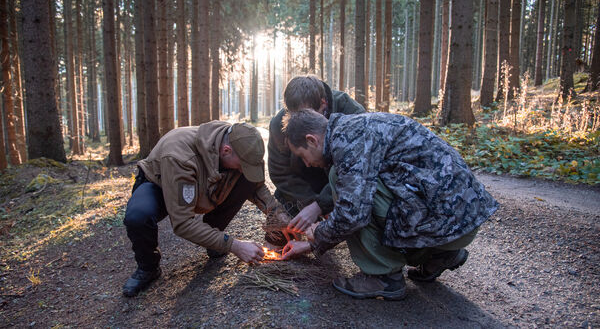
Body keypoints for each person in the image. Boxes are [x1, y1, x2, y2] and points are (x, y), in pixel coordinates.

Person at [280, 110, 499, 300]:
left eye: (303, 156)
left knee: (341, 182)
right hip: (463, 219)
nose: (307, 164)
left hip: (446, 222)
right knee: (370, 193)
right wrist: (314, 245)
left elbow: (352, 214)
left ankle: (383, 278)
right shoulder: (356, 126)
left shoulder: (347, 141)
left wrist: (317, 235)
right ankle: (439, 255)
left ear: (312, 140)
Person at [122, 121, 285, 297]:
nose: (244, 168)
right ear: (226, 151)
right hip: (159, 185)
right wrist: (234, 245)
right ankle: (148, 268)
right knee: (138, 217)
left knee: (247, 178)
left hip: (203, 187)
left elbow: (256, 185)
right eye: (243, 165)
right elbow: (183, 224)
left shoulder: (242, 143)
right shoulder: (180, 157)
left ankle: (214, 238)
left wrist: (277, 214)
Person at [267, 75, 365, 245]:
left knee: (357, 213)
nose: (298, 123)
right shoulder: (279, 123)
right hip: (306, 184)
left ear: (323, 104)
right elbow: (280, 172)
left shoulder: (350, 112)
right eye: (293, 115)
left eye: (306, 115)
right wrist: (309, 203)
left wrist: (323, 204)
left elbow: (360, 170)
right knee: (281, 215)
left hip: (341, 180)